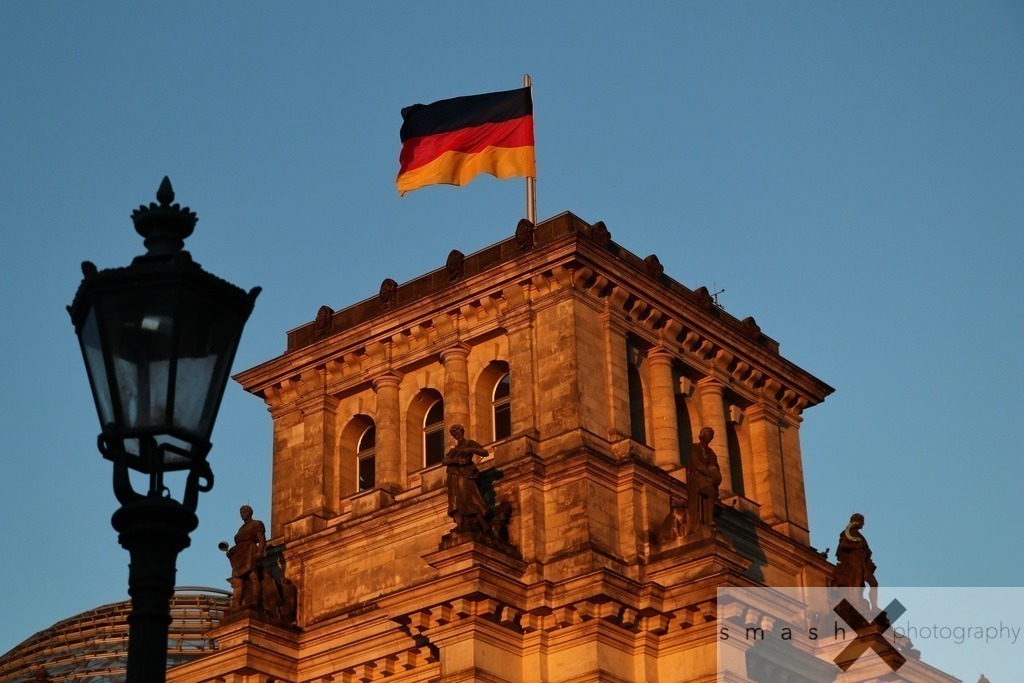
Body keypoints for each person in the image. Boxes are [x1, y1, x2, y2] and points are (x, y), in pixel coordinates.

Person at [442, 424, 491, 533]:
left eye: (456, 431)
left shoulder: (469, 443)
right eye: (453, 433)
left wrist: (470, 450)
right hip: (453, 476)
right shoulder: (453, 450)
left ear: (461, 431)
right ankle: (460, 523)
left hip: (464, 475)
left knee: (469, 497)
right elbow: (444, 461)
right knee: (455, 500)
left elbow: (485, 452)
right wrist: (456, 461)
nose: (455, 434)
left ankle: (482, 523)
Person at [834, 513, 879, 611]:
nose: (863, 524)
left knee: (874, 583)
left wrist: (866, 551)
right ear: (856, 521)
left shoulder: (860, 536)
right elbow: (843, 544)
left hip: (863, 562)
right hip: (854, 560)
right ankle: (857, 605)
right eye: (862, 521)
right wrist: (856, 546)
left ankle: (874, 606)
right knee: (857, 581)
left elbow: (867, 549)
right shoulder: (847, 532)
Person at [226, 505, 267, 610]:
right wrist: (231, 551)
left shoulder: (256, 523)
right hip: (240, 556)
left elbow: (262, 539)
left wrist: (260, 552)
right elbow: (239, 543)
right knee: (237, 580)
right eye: (241, 512)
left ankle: (256, 601)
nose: (242, 514)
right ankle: (236, 604)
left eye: (245, 511)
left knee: (253, 576)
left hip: (250, 551)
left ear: (250, 512)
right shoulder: (240, 529)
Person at [686, 427, 723, 535]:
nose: (710, 436)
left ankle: (708, 520)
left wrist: (714, 475)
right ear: (702, 435)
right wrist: (710, 474)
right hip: (696, 476)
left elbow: (714, 466)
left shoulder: (711, 452)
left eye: (711, 435)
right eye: (708, 434)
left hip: (706, 477)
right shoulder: (695, 447)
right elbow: (697, 464)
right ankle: (709, 520)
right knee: (711, 492)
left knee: (711, 492)